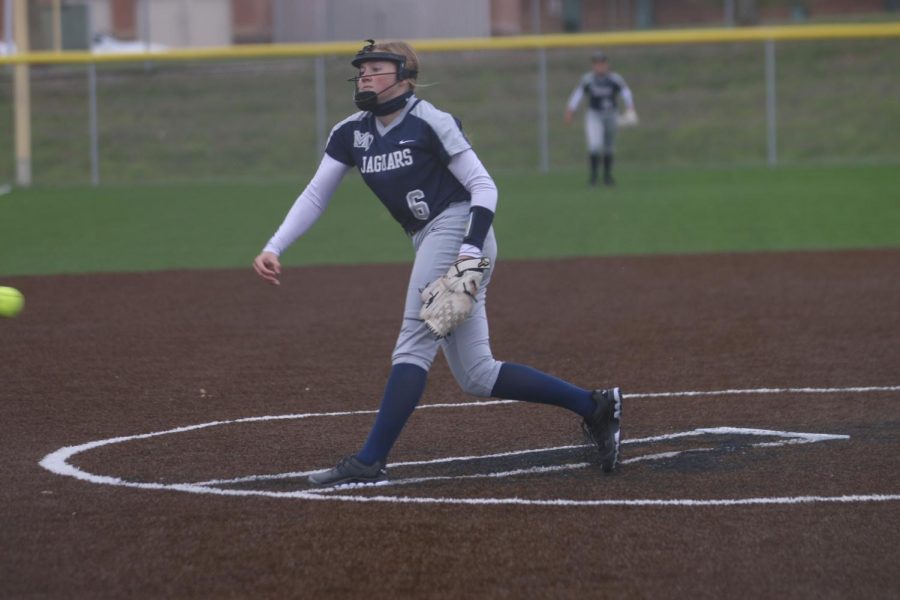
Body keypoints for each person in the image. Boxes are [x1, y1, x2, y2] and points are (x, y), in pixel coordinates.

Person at [253, 40, 623, 487]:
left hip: (459, 232)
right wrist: (275, 245)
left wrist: (468, 249)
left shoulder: (431, 121)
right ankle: (595, 406)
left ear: (405, 75)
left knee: (413, 343)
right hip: (433, 238)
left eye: (376, 67)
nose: (365, 75)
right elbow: (316, 194)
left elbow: (484, 188)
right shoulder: (350, 132)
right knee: (476, 374)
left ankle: (370, 461)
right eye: (362, 69)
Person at [564, 51, 638, 187]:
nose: (600, 66)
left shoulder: (614, 78)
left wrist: (630, 107)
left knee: (609, 147)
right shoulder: (588, 79)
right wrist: (570, 110)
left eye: (602, 63)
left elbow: (626, 92)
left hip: (611, 115)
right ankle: (593, 177)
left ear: (607, 64)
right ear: (593, 66)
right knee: (594, 145)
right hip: (594, 115)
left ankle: (607, 177)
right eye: (597, 64)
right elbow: (578, 93)